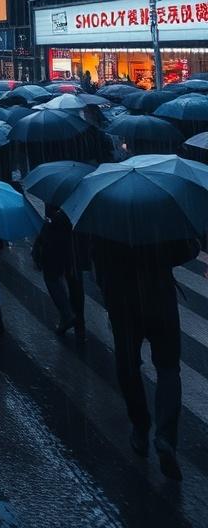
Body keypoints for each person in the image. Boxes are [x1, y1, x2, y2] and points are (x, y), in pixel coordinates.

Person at [92, 236, 199, 481]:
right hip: (160, 298)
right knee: (168, 368)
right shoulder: (159, 219)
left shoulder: (106, 221)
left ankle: (140, 426)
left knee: (128, 365)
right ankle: (165, 436)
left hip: (123, 302)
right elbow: (185, 250)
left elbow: (96, 259)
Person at [33, 205, 88, 341]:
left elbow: (50, 217)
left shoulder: (56, 201)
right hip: (74, 239)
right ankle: (78, 326)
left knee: (52, 277)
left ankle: (67, 315)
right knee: (74, 280)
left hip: (57, 238)